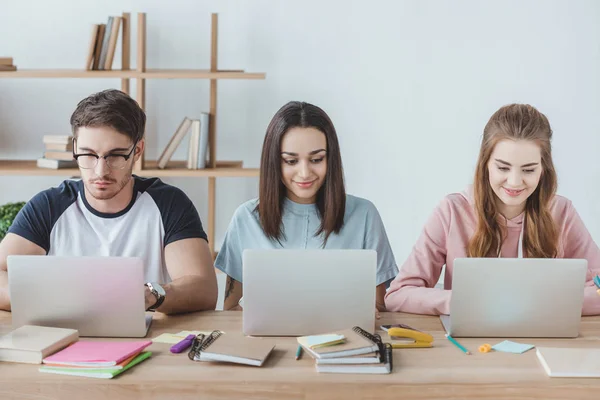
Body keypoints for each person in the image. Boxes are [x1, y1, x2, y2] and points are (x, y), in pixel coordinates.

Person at [0, 89, 217, 314]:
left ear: (138, 150)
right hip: (66, 337)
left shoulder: (168, 203)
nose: (100, 170)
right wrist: (45, 298)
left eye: (115, 155)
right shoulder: (49, 206)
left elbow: (204, 288)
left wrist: (151, 295)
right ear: (75, 149)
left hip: (146, 340)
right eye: (88, 154)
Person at [384, 103, 600, 315]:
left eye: (528, 169)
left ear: (544, 169)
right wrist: (462, 302)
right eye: (503, 167)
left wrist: (544, 303)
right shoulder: (452, 211)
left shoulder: (561, 212)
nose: (514, 182)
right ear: (485, 163)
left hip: (546, 342)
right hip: (472, 345)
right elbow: (398, 294)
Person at [215, 101, 398, 312]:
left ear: (331, 159)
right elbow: (230, 308)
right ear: (274, 162)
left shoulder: (365, 215)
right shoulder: (246, 217)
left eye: (316, 159)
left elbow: (380, 307)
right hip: (267, 342)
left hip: (344, 341)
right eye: (291, 161)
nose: (304, 173)